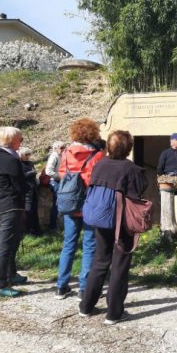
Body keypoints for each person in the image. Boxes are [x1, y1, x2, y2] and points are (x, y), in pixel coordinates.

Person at [79, 130, 148, 324]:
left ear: (109, 146)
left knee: (100, 261)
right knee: (119, 266)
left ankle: (86, 306)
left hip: (100, 219)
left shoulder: (100, 164)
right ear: (128, 148)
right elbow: (139, 190)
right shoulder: (131, 169)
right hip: (121, 223)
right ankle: (114, 313)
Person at [55, 117, 104, 300]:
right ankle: (84, 288)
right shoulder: (97, 155)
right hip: (90, 204)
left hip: (70, 203)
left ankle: (61, 286)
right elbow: (98, 179)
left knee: (68, 245)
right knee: (89, 246)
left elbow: (61, 173)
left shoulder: (67, 152)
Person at [0, 127, 29, 297]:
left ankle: (11, 274)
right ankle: (0, 284)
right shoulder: (11, 160)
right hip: (10, 206)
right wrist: (29, 184)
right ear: (11, 141)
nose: (22, 140)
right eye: (19, 138)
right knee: (5, 247)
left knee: (11, 242)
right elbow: (20, 185)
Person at [18, 147, 41, 236]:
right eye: (26, 154)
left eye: (29, 154)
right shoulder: (19, 164)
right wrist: (31, 173)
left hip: (34, 189)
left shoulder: (30, 163)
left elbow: (34, 173)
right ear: (22, 155)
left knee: (35, 211)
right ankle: (29, 230)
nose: (28, 156)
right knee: (28, 212)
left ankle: (37, 230)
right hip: (26, 191)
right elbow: (20, 177)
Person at [45, 141, 65, 230]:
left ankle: (58, 225)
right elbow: (48, 171)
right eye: (61, 148)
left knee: (59, 204)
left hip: (60, 181)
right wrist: (60, 176)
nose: (63, 149)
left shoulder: (61, 155)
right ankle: (53, 226)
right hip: (55, 182)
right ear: (55, 148)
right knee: (56, 204)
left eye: (64, 147)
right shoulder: (54, 156)